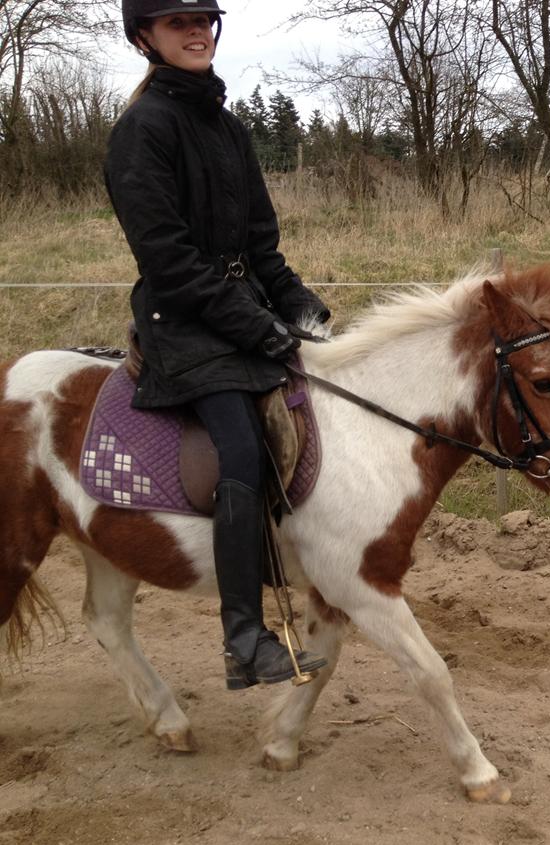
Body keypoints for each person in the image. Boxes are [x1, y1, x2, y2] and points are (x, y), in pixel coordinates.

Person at [105, 0, 329, 689]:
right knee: (239, 448)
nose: (197, 31)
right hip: (183, 321)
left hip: (240, 311)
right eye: (178, 23)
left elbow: (261, 244)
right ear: (145, 37)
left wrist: (297, 302)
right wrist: (253, 324)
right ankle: (242, 637)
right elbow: (168, 260)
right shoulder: (141, 131)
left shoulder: (228, 128)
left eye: (204, 19)